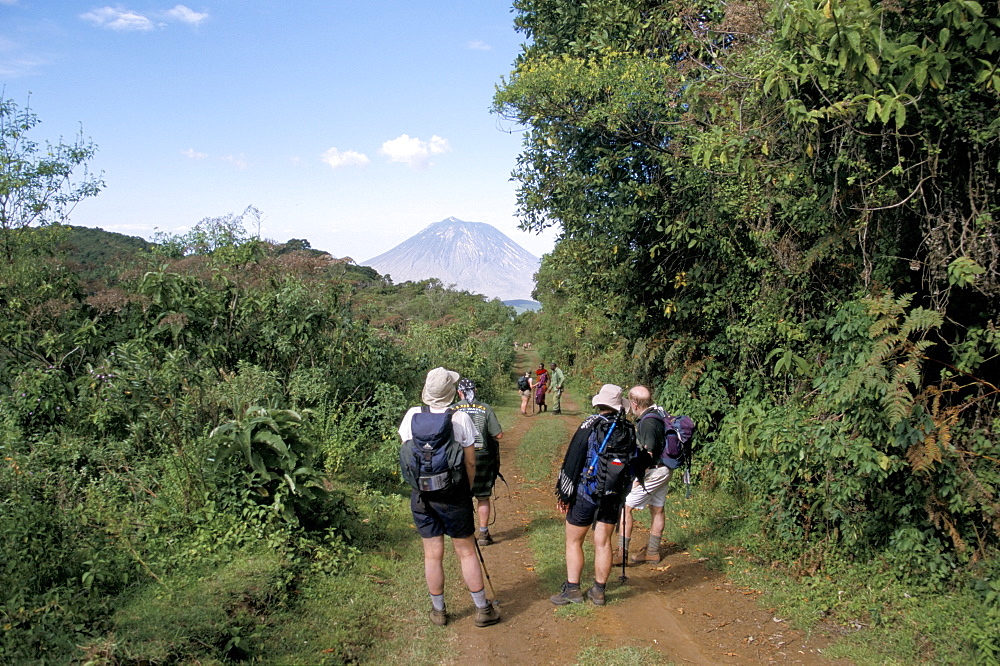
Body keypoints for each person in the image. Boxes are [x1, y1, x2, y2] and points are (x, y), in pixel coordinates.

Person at [398, 367, 501, 627]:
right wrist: (466, 490)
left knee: (432, 554)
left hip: (421, 495)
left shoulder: (411, 416)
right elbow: (470, 463)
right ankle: (482, 609)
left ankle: (439, 611)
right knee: (466, 552)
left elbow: (408, 456)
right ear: (451, 393)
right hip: (454, 494)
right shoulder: (459, 418)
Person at [550, 384, 624, 606]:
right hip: (613, 495)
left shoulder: (590, 425)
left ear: (600, 404)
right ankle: (599, 591)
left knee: (574, 541)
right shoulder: (627, 429)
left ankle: (573, 589)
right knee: (603, 543)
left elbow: (574, 460)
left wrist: (565, 494)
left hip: (586, 492)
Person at [614, 385, 672, 566]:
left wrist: (638, 479)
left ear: (634, 403)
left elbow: (649, 453)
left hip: (654, 471)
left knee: (626, 508)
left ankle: (621, 554)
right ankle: (652, 552)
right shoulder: (659, 412)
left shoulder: (646, 422)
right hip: (665, 468)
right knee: (657, 508)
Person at [451, 378, 504, 546]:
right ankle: (483, 533)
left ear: (459, 392)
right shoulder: (485, 409)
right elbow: (498, 435)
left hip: (459, 459)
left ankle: (462, 533)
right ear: (475, 390)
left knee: (461, 496)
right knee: (483, 497)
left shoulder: (452, 409)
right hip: (482, 457)